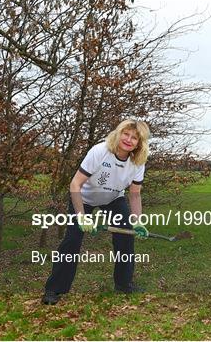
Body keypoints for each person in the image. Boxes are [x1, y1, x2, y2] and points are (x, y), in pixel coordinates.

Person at [42, 119, 151, 305]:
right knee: (72, 240)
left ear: (139, 143)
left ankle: (124, 284)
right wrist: (81, 217)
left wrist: (137, 221)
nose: (129, 139)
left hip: (113, 199)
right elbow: (75, 184)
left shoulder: (137, 162)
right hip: (83, 198)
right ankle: (54, 289)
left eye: (134, 138)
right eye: (126, 133)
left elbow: (134, 195)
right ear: (119, 132)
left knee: (126, 238)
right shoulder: (100, 151)